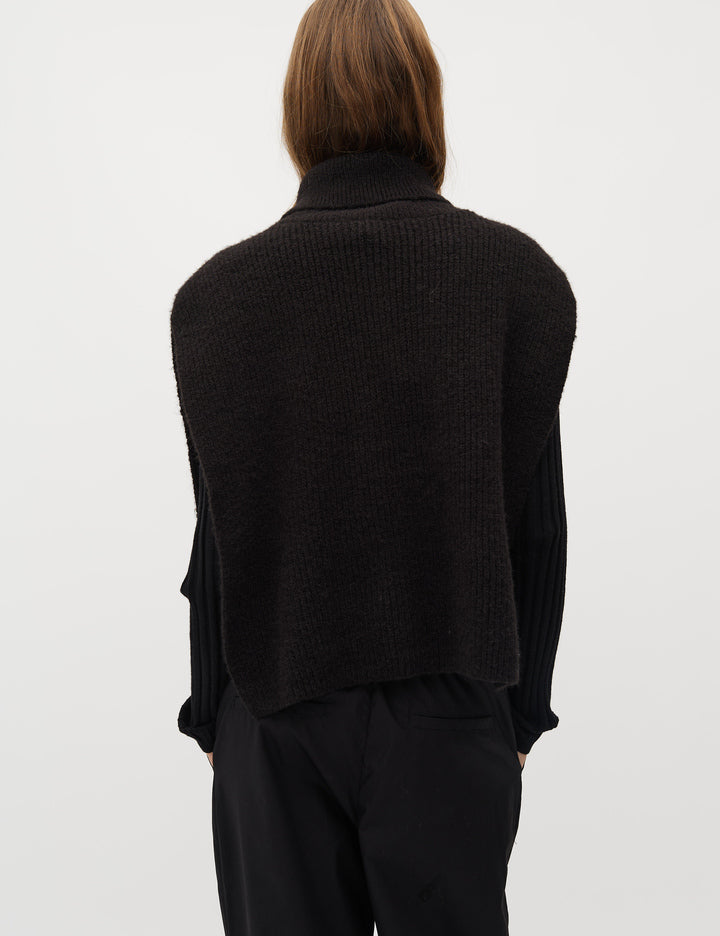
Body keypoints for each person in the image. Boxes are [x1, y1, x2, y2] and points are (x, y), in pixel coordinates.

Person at [170, 1, 577, 933]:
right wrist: (520, 716)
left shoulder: (216, 301)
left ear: (298, 108)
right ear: (425, 99)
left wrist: (213, 715)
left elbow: (219, 534)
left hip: (272, 706)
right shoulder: (514, 279)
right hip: (450, 708)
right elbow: (538, 529)